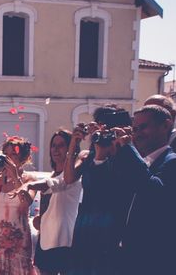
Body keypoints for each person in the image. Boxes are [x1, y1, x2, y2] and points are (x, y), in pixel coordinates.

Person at [64, 105, 133, 275]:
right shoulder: (87, 156)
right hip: (86, 221)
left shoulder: (124, 155)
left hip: (110, 225)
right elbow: (69, 178)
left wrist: (105, 152)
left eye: (105, 127)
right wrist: (74, 143)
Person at [112, 104, 176, 275]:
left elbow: (153, 192)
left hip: (156, 260)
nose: (137, 133)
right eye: (135, 129)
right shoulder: (135, 161)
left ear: (165, 125)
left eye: (143, 127)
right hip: (127, 256)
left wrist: (129, 149)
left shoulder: (174, 162)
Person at [27, 130, 82, 275]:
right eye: (53, 145)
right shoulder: (51, 174)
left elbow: (55, 184)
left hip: (64, 240)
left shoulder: (73, 175)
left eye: (61, 145)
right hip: (46, 239)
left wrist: (28, 185)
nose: (56, 149)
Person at [0, 136, 37, 275]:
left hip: (18, 241)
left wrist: (15, 176)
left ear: (24, 158)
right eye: (6, 154)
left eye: (13, 154)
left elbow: (26, 203)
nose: (8, 158)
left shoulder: (29, 179)